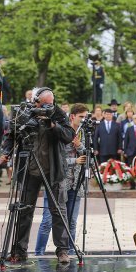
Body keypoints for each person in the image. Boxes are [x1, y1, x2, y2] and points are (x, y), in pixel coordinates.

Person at [0, 88, 75, 264]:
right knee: (24, 209)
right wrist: (5, 151)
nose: (47, 107)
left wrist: (52, 125)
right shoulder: (24, 112)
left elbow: (68, 136)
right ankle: (19, 251)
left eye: (51, 103)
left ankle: (62, 250)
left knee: (58, 210)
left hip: (53, 169)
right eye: (44, 104)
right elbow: (12, 134)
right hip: (29, 168)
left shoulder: (58, 113)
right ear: (36, 101)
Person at [34, 104, 88, 256]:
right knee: (48, 220)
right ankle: (39, 252)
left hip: (76, 182)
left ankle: (69, 251)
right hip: (59, 179)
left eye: (85, 117)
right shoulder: (62, 130)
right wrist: (75, 161)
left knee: (71, 221)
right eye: (81, 117)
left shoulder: (83, 132)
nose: (83, 120)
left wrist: (79, 145)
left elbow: (87, 155)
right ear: (72, 116)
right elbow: (58, 157)